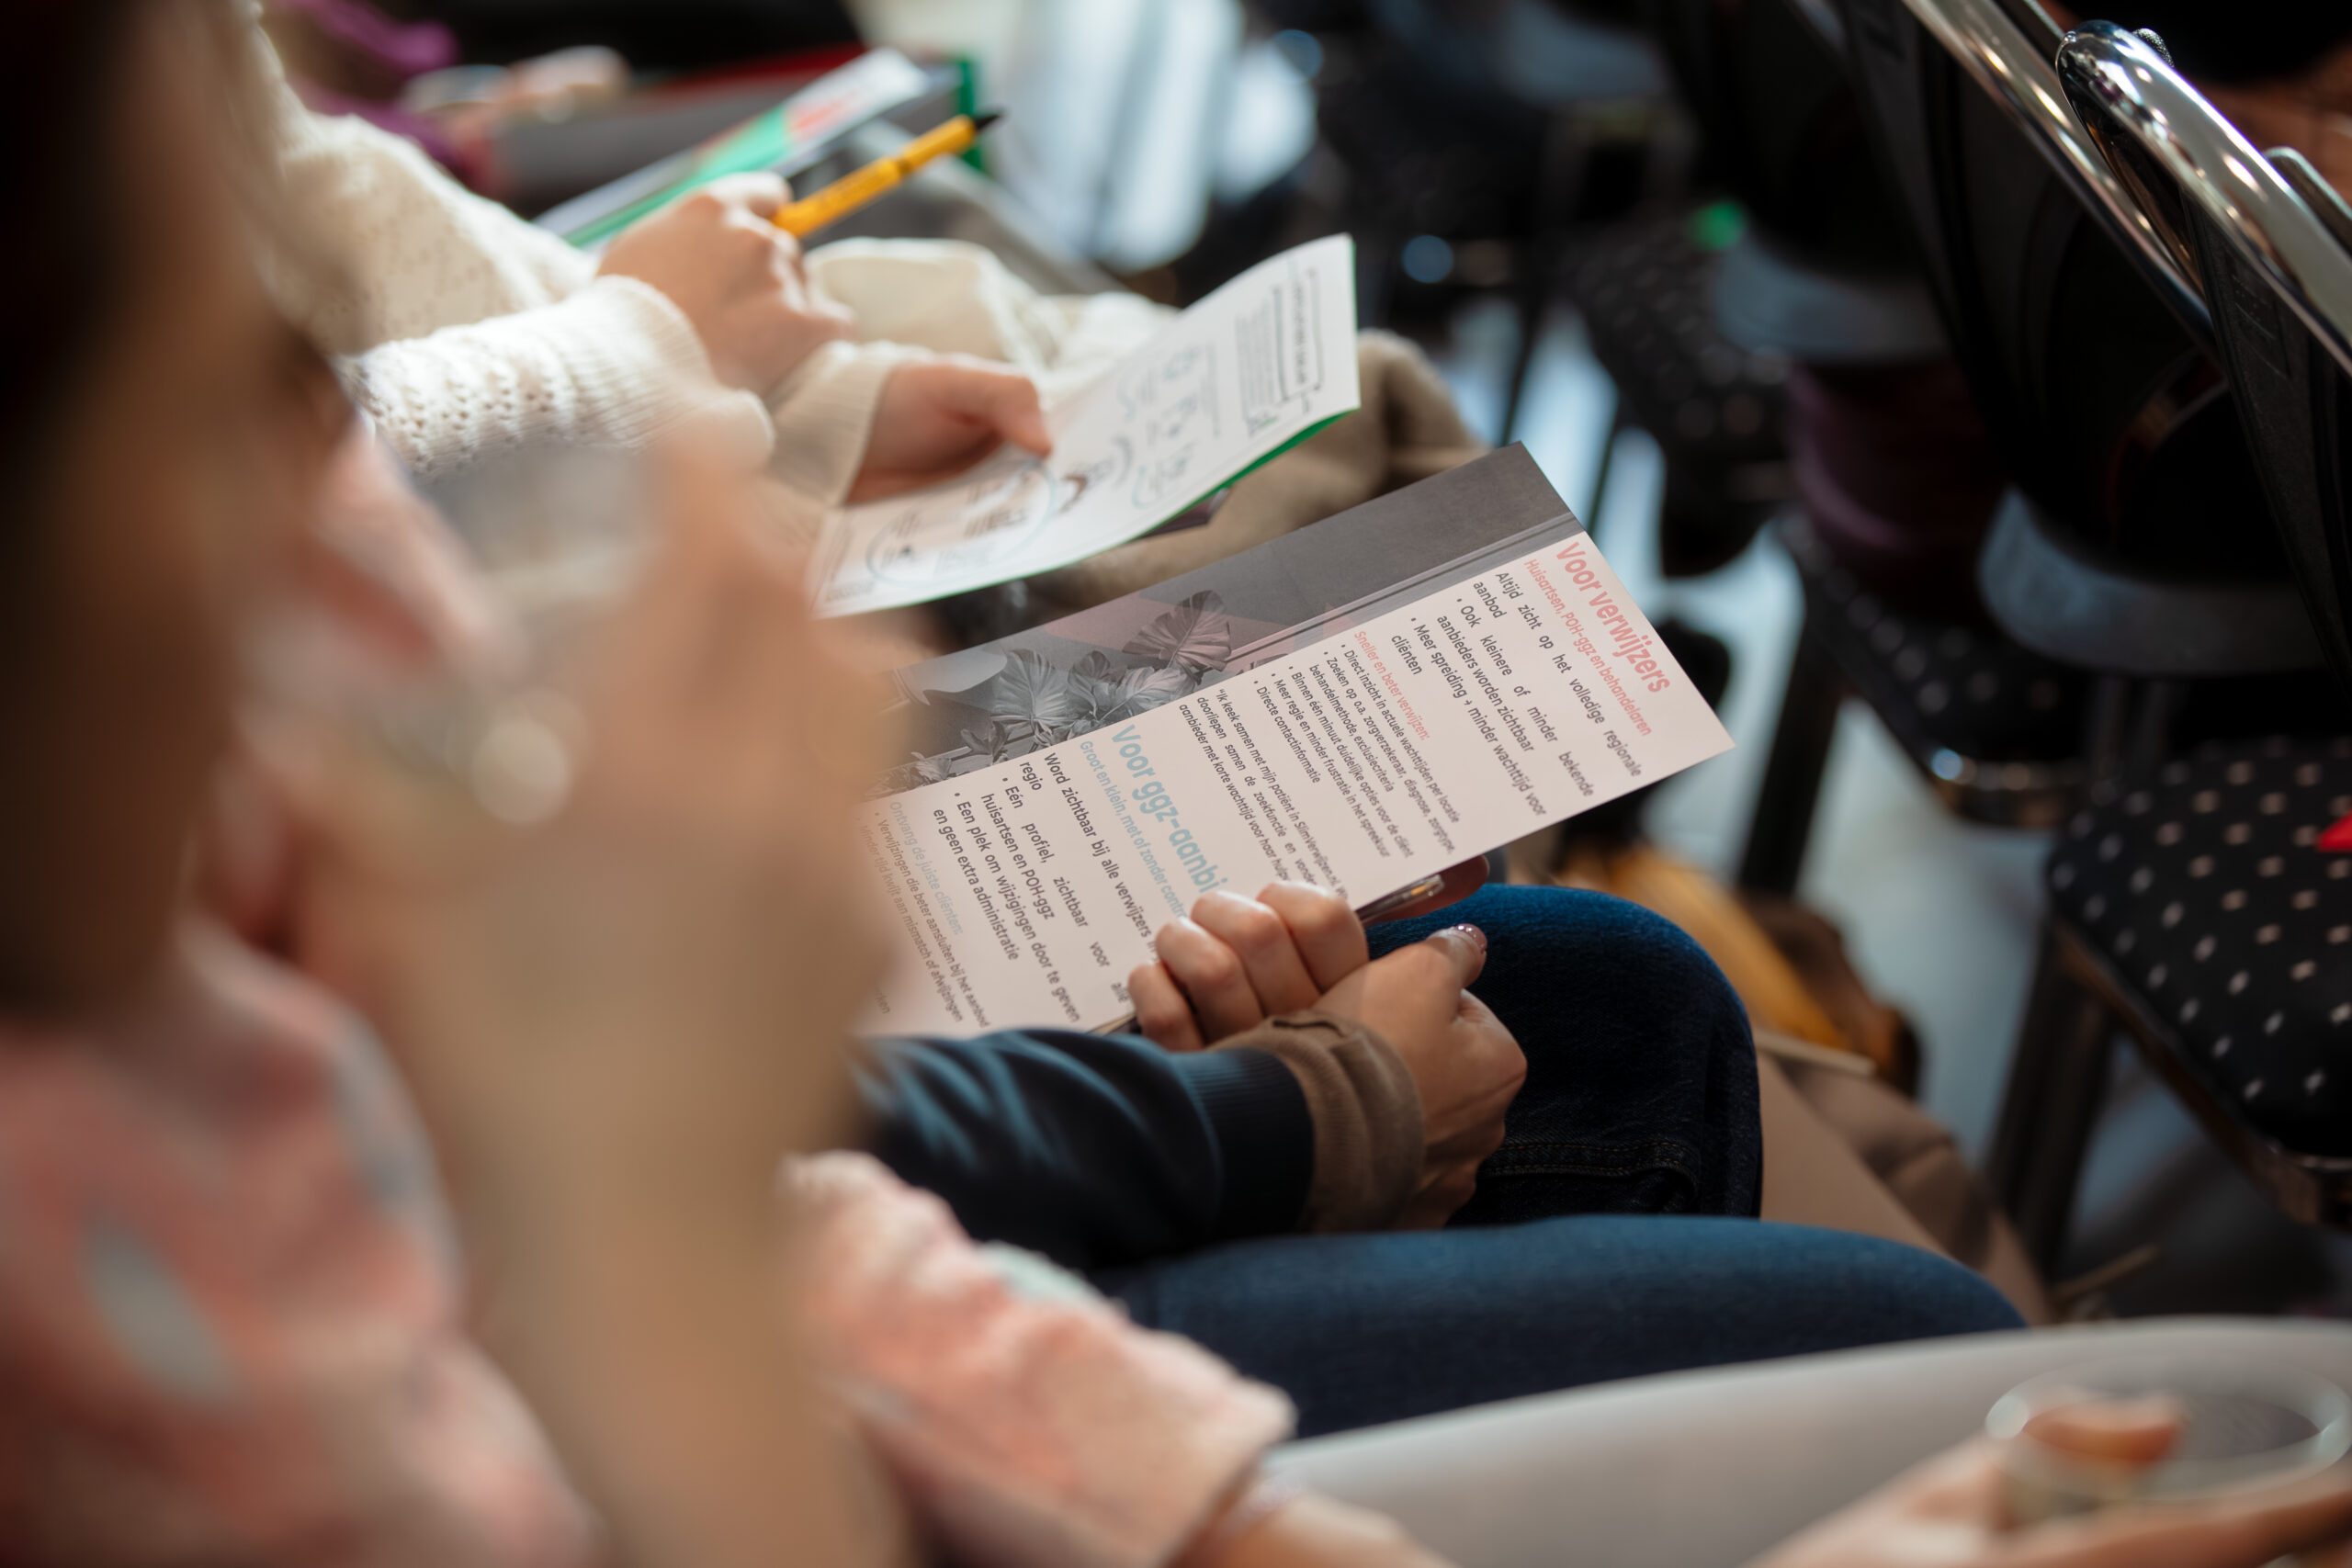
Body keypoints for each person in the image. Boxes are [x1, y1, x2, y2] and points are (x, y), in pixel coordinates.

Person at [12, 6, 2352, 1566]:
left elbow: (774, 1220)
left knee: (1608, 994)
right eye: (235, 420)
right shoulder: (144, 1325)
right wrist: (1287, 1117)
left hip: (756, 1197)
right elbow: (695, 1291)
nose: (351, 572)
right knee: (1897, 1343)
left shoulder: (230, 899)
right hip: (734, 1249)